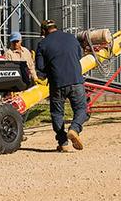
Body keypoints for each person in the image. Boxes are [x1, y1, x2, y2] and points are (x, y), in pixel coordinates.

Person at [35, 20, 88, 153]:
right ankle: (74, 129)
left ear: (43, 31)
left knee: (57, 113)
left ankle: (63, 142)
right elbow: (79, 56)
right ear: (56, 28)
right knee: (82, 109)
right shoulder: (71, 38)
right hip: (76, 80)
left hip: (57, 83)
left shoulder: (42, 44)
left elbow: (40, 68)